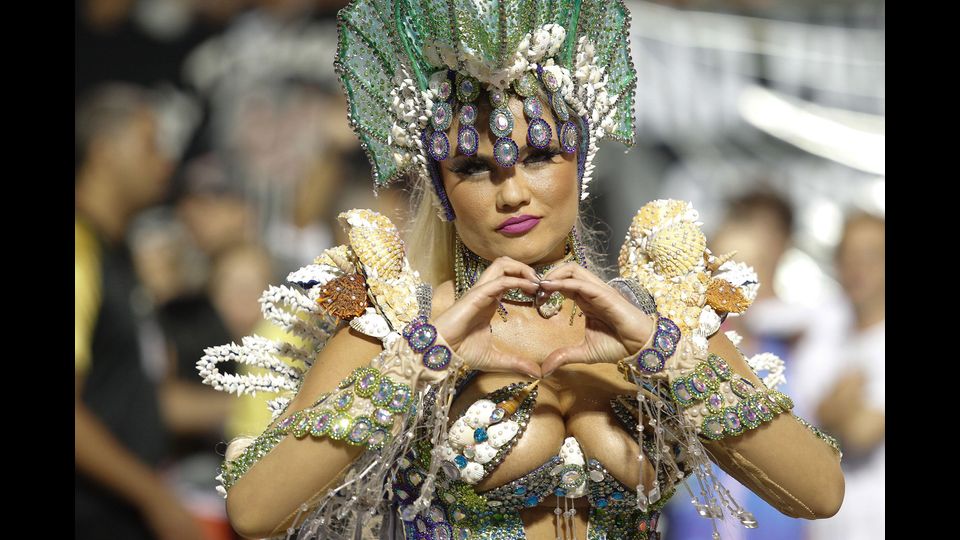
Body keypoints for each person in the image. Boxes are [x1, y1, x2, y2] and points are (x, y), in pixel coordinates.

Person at [197, 2, 844, 539]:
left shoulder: (660, 318)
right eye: (476, 168)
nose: (511, 194)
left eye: (538, 156)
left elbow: (818, 491)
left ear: (580, 163)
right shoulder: (401, 322)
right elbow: (255, 510)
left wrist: (659, 352)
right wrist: (422, 361)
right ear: (443, 190)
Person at [75, 83, 205, 540]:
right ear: (105, 151)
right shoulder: (79, 250)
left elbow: (139, 396)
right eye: (151, 144)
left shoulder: (117, 255)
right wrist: (154, 496)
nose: (166, 162)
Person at [791, 212, 885, 540]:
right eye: (849, 255)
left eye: (872, 255)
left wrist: (832, 409)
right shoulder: (822, 336)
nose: (858, 267)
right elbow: (803, 425)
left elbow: (860, 434)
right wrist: (846, 397)